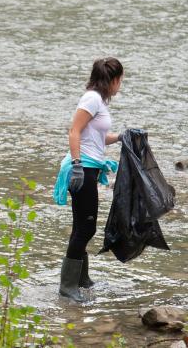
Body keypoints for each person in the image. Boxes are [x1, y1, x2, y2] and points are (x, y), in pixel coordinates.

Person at [55, 57, 123, 302]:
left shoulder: (97, 101)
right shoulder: (92, 99)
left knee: (83, 226)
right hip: (81, 168)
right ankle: (67, 287)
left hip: (89, 166)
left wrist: (120, 137)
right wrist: (76, 166)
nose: (120, 86)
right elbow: (74, 131)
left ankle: (82, 279)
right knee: (86, 227)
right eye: (120, 80)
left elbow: (95, 138)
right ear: (113, 80)